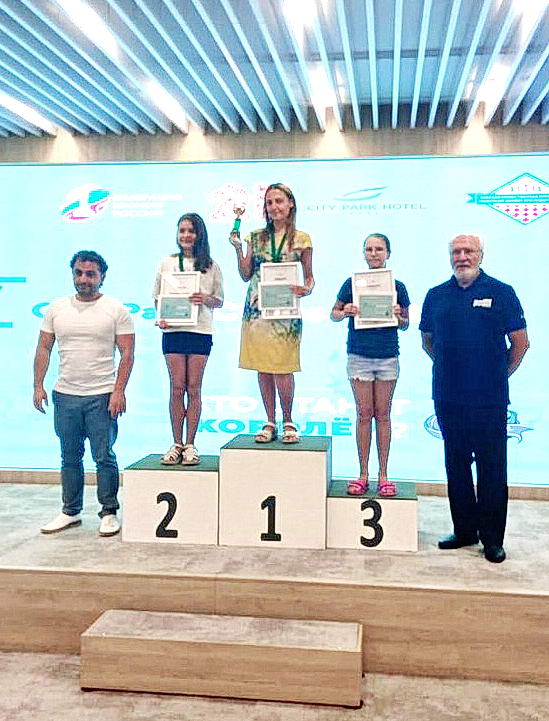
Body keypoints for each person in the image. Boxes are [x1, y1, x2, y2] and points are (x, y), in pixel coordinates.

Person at [420, 234, 529, 563]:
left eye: (469, 251)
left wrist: (496, 375)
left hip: (489, 399)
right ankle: (465, 530)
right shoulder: (436, 295)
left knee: (492, 467)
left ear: (481, 255)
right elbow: (428, 341)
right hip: (448, 397)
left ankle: (492, 539)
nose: (462, 256)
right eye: (456, 251)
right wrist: (453, 370)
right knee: (456, 466)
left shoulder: (502, 292)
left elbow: (520, 343)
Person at [33, 250, 135, 536]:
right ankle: (71, 511)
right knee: (69, 457)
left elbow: (127, 353)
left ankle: (109, 512)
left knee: (104, 456)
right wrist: (38, 385)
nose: (84, 279)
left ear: (102, 277)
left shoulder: (116, 309)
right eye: (78, 273)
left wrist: (119, 391)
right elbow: (44, 347)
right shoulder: (56, 308)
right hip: (65, 395)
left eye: (90, 274)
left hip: (102, 396)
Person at [230, 183, 314, 443]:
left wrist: (306, 289)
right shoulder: (255, 237)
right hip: (257, 312)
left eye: (279, 201)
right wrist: (237, 248)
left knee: (283, 367)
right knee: (263, 367)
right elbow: (246, 274)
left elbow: (310, 278)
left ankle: (288, 420)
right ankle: (269, 421)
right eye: (269, 203)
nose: (274, 207)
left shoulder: (302, 239)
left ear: (290, 204)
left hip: (286, 314)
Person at [331, 233, 410, 497]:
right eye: (369, 249)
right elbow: (334, 314)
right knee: (364, 414)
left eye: (379, 249)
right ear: (363, 253)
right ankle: (363, 474)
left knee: (383, 415)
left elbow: (406, 324)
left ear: (388, 253)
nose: (374, 253)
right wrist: (346, 311)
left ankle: (383, 475)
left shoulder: (398, 286)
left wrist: (398, 316)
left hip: (387, 356)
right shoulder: (351, 283)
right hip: (359, 356)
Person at [153, 213, 223, 465]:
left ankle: (191, 444)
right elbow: (157, 297)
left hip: (200, 331)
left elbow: (219, 300)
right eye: (182, 230)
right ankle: (176, 443)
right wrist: (162, 317)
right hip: (173, 331)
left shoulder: (211, 266)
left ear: (200, 234)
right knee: (176, 388)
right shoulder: (167, 263)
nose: (186, 235)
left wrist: (205, 298)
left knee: (193, 388)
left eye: (191, 231)